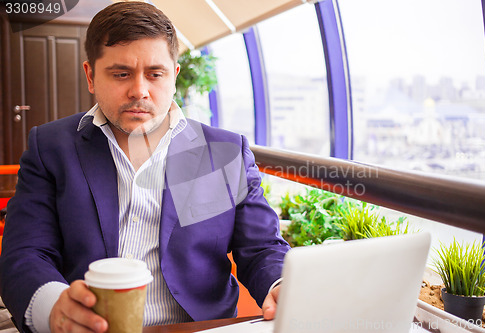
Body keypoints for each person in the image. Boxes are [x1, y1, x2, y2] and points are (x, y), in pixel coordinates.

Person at [0, 2, 290, 332]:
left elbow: (262, 247)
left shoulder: (225, 152)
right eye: (121, 74)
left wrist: (280, 285)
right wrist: (56, 309)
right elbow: (25, 253)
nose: (140, 90)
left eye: (155, 74)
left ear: (174, 76)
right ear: (91, 76)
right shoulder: (51, 147)